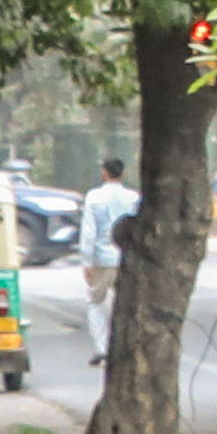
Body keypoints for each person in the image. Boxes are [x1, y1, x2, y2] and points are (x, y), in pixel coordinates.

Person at [76, 152, 143, 365]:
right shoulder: (134, 198)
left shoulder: (94, 197)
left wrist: (86, 262)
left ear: (104, 173)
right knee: (124, 303)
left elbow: (88, 232)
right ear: (122, 173)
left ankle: (101, 347)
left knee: (95, 301)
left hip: (101, 258)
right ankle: (125, 347)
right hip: (125, 257)